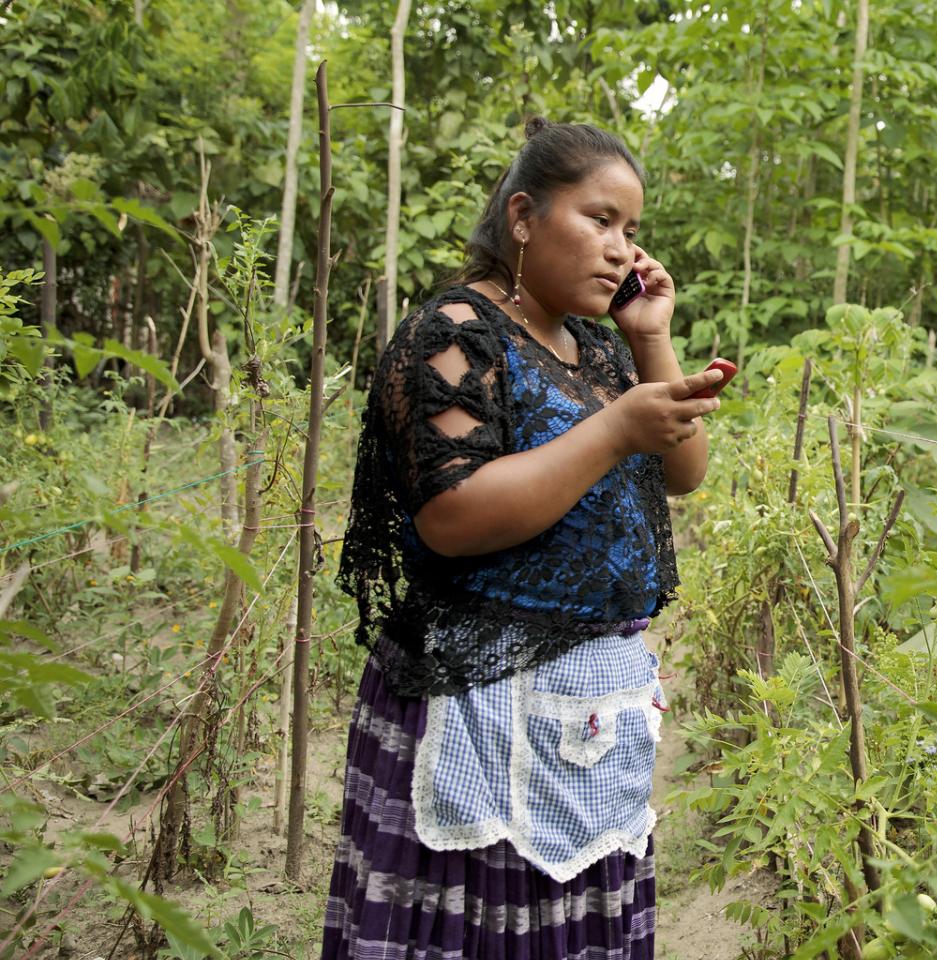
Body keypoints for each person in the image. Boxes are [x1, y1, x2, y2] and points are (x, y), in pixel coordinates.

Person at [324, 116, 722, 958]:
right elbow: (452, 512)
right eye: (599, 219)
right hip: (481, 701)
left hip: (589, 709)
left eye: (632, 231)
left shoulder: (600, 350)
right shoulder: (457, 334)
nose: (621, 249)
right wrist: (613, 432)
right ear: (522, 217)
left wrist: (651, 338)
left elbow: (684, 473)